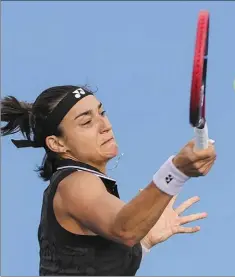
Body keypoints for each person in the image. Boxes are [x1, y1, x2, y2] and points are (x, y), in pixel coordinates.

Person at [1, 85, 216, 276]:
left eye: (102, 112)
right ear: (57, 144)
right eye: (86, 121)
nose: (105, 125)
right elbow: (125, 230)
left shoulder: (76, 183)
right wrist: (175, 172)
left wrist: (145, 242)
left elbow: (96, 264)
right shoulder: (75, 184)